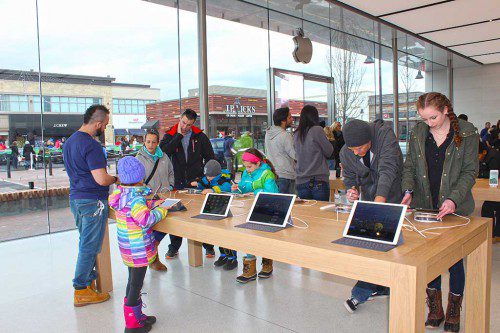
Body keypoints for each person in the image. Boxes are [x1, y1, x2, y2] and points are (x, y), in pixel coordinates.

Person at [401, 92, 478, 332]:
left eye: (433, 117)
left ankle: (454, 309)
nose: (429, 123)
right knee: (428, 258)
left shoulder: (467, 132)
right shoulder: (418, 133)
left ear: (446, 110)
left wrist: (454, 199)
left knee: (454, 261)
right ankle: (435, 307)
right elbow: (410, 166)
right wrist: (408, 190)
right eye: (424, 119)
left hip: (454, 209)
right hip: (425, 205)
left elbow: (469, 171)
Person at [341, 118, 403, 314]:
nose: (356, 152)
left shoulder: (384, 136)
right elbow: (350, 178)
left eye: (360, 147)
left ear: (369, 139)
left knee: (394, 247)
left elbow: (388, 170)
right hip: (370, 200)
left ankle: (373, 289)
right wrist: (351, 190)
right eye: (352, 149)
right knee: (373, 247)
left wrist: (379, 203)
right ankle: (368, 290)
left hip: (394, 196)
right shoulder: (346, 152)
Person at [63, 105, 119, 307]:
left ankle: (88, 281)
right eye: (105, 124)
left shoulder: (69, 142)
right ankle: (81, 289)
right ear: (98, 123)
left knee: (85, 241)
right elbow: (102, 179)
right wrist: (116, 178)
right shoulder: (91, 145)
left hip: (76, 199)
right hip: (93, 201)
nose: (105, 127)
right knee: (90, 246)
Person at [109, 156, 168, 333]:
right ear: (139, 178)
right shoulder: (136, 200)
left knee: (132, 282)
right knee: (136, 285)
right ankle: (132, 325)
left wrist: (150, 203)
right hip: (139, 249)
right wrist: (161, 210)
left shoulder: (121, 196)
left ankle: (137, 315)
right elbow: (145, 219)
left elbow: (133, 211)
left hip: (128, 248)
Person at [159, 109, 215, 259]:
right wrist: (178, 136)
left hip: (196, 183)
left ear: (193, 124)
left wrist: (206, 178)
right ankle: (174, 247)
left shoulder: (200, 137)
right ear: (180, 119)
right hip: (177, 183)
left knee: (201, 217)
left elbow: (210, 158)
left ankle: (208, 246)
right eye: (183, 123)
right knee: (176, 217)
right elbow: (163, 153)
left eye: (189, 125)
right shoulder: (170, 135)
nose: (185, 127)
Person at [231, 148, 279, 283]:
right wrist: (237, 188)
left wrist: (256, 192)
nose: (247, 169)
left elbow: (273, 194)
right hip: (249, 209)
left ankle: (267, 264)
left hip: (265, 210)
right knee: (248, 236)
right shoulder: (246, 172)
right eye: (246, 166)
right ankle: (250, 269)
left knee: (264, 237)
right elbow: (244, 187)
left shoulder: (267, 174)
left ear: (258, 163)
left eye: (250, 166)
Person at [135, 129, 175, 272]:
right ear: (144, 142)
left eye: (153, 142)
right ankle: (154, 259)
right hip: (148, 199)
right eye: (148, 141)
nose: (150, 145)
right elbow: (138, 181)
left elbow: (171, 172)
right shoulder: (139, 158)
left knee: (167, 222)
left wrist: (169, 185)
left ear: (158, 142)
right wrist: (149, 192)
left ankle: (153, 253)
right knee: (151, 228)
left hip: (165, 197)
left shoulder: (163, 156)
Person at [190, 159, 238, 271]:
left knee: (227, 236)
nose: (208, 179)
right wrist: (198, 184)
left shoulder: (224, 180)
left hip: (225, 211)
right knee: (219, 235)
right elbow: (203, 182)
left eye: (210, 177)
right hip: (214, 210)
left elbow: (226, 188)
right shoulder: (207, 178)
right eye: (207, 176)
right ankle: (223, 255)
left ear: (216, 174)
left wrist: (212, 190)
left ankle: (232, 257)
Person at [294, 105, 334, 201]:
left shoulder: (296, 133)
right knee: (320, 215)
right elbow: (329, 151)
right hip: (318, 180)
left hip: (301, 181)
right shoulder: (317, 130)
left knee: (307, 214)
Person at [265, 107, 296, 194]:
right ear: (283, 120)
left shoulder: (268, 134)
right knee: (289, 204)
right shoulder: (285, 135)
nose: (292, 119)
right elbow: (295, 155)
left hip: (273, 172)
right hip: (286, 175)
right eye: (290, 117)